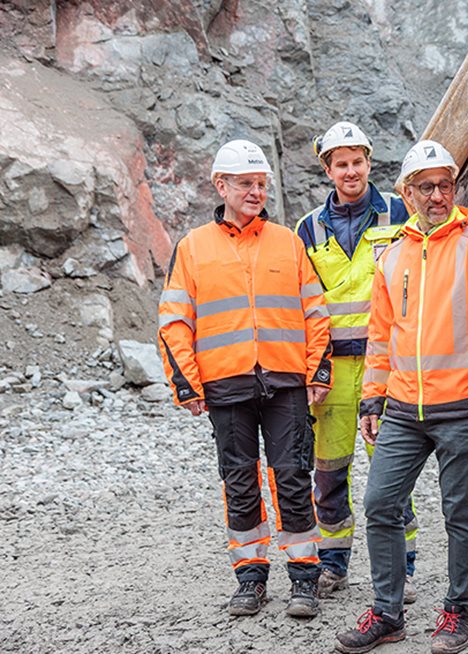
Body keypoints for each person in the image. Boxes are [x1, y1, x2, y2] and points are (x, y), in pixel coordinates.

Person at [335, 140, 468, 654]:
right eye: (426, 186)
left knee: (460, 515)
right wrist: (371, 399)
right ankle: (388, 613)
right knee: (380, 504)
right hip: (403, 411)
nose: (437, 195)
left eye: (445, 185)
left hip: (462, 412)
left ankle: (459, 613)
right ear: (407, 193)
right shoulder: (392, 256)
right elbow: (380, 336)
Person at [158, 139, 333, 618]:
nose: (256, 192)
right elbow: (174, 321)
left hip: (287, 381)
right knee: (239, 481)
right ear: (222, 185)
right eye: (246, 183)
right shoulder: (193, 248)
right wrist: (187, 383)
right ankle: (250, 578)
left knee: (293, 476)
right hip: (225, 384)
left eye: (261, 184)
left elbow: (316, 313)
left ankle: (304, 578)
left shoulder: (288, 242)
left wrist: (318, 368)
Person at [295, 121, 422, 601]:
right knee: (328, 475)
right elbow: (303, 305)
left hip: (385, 368)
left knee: (391, 475)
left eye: (358, 161)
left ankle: (402, 569)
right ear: (327, 169)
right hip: (333, 373)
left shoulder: (397, 210)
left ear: (369, 162)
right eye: (341, 163)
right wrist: (313, 370)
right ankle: (333, 565)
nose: (351, 171)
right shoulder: (307, 228)